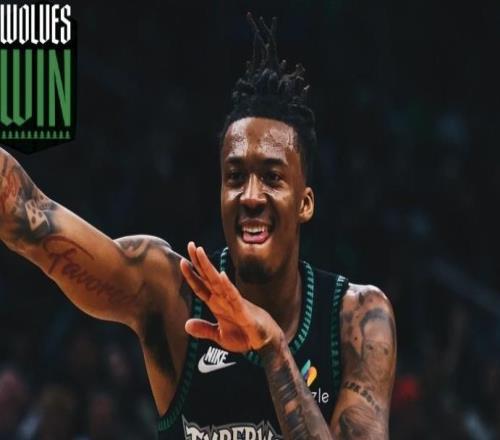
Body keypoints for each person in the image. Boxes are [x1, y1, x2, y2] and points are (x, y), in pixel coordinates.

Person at [0, 15, 396, 439]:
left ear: (305, 203)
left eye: (272, 177)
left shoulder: (359, 320)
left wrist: (273, 347)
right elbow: (28, 216)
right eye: (235, 176)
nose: (250, 195)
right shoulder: (170, 295)